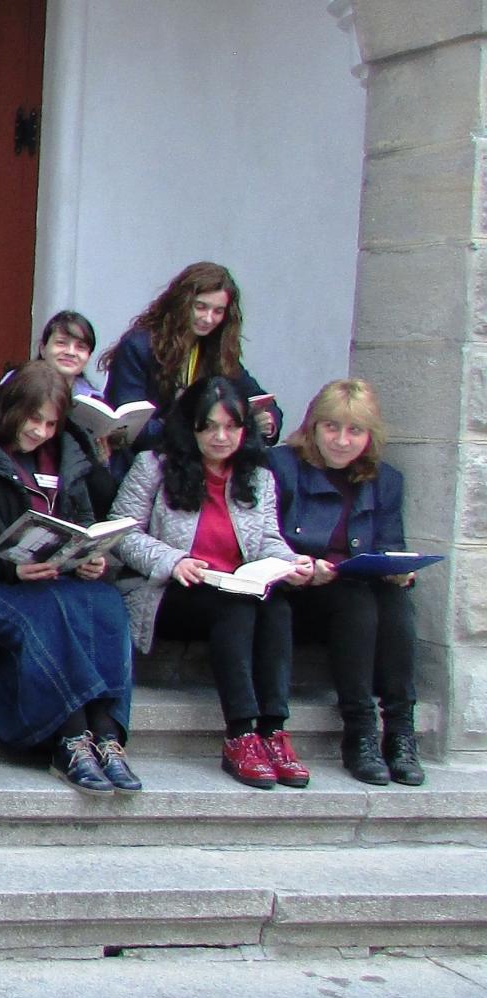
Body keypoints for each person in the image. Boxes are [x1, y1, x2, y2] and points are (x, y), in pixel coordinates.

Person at [0, 362, 139, 794]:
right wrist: (8, 563)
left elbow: (82, 518)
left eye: (50, 423)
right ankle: (69, 737)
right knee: (48, 610)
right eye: (33, 419)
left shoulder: (68, 451)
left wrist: (89, 557)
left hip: (53, 574)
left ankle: (107, 733)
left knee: (107, 604)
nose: (40, 432)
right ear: (11, 408)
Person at [112, 378, 313, 790]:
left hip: (236, 584)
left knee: (276, 606)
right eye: (209, 427)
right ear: (191, 427)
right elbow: (122, 532)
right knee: (233, 607)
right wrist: (173, 560)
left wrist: (290, 562)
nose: (221, 437)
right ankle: (240, 733)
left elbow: (268, 538)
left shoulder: (258, 476)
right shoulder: (154, 466)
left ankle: (273, 730)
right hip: (170, 589)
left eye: (231, 427)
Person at [268, 380, 423, 785]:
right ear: (313, 427)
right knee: (356, 600)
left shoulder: (386, 480)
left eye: (355, 430)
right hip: (299, 595)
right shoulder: (282, 466)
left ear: (370, 435)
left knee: (395, 601)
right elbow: (261, 537)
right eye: (331, 427)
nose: (341, 441)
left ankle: (401, 730)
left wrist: (398, 570)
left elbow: (390, 544)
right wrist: (299, 564)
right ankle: (360, 731)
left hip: (357, 595)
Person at [101, 261, 282, 454]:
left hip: (197, 458)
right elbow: (129, 426)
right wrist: (192, 428)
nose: (208, 318)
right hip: (146, 456)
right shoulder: (139, 345)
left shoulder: (217, 350)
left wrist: (268, 421)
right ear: (181, 303)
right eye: (201, 307)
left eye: (218, 311)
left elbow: (258, 397)